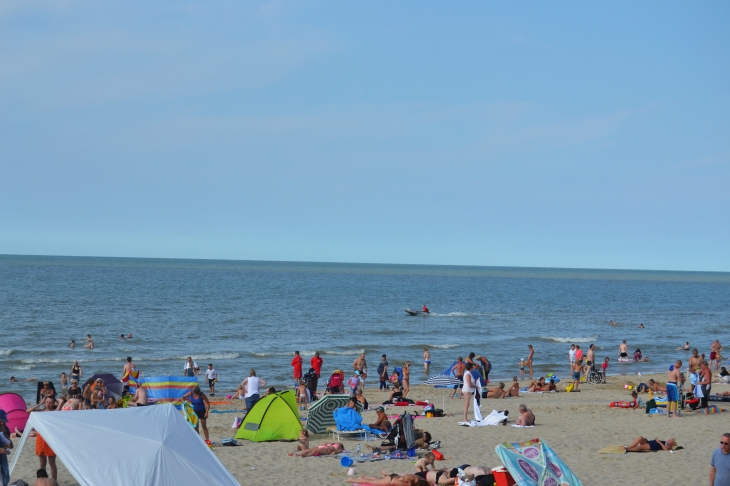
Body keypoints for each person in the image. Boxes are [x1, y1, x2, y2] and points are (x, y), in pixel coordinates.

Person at [27, 397, 59, 480]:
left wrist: (58, 400)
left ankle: (54, 481)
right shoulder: (41, 412)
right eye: (47, 402)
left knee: (52, 462)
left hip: (51, 439)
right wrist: (40, 404)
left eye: (50, 402)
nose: (48, 404)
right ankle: (42, 480)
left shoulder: (54, 413)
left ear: (53, 404)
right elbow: (28, 411)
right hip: (41, 438)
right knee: (42, 462)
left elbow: (61, 403)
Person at [345, 470, 430, 486]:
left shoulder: (417, 477)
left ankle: (364, 476)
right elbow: (398, 483)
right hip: (390, 481)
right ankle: (352, 480)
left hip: (393, 476)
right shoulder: (409, 483)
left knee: (377, 480)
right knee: (372, 482)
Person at [0, 410, 13, 486]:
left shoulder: (5, 429)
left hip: (2, 459)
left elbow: (11, 444)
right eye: (1, 421)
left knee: (5, 479)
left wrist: (8, 445)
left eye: (4, 421)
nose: (2, 423)